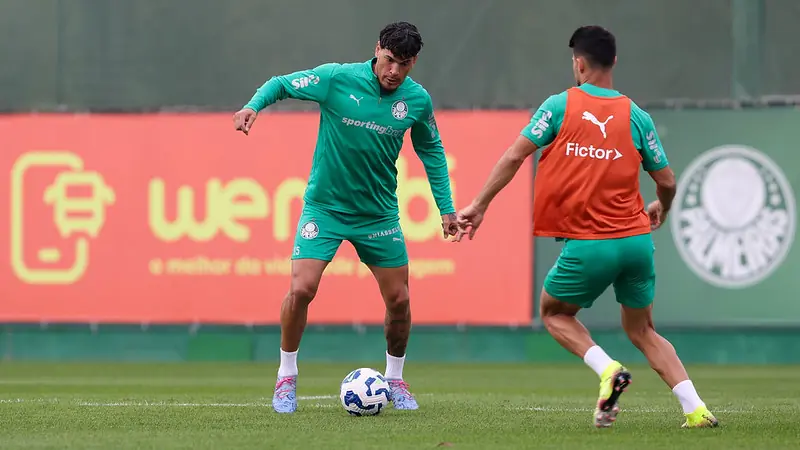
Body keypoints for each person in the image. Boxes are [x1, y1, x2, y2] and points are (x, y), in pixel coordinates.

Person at [455, 25, 718, 429]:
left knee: (554, 313)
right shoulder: (637, 116)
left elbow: (514, 156)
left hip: (590, 244)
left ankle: (608, 369)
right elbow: (667, 181)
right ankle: (696, 410)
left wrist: (479, 204)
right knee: (643, 330)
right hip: (636, 242)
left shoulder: (560, 106)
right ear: (614, 62)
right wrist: (661, 208)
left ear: (578, 63)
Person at [233, 21, 457, 414]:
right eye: (389, 60)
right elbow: (281, 83)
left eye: (404, 64)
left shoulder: (417, 100)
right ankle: (286, 377)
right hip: (325, 209)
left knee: (400, 300)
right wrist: (253, 105)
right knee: (302, 289)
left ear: (414, 62)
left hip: (378, 215)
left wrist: (446, 208)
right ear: (377, 49)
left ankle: (395, 379)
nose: (394, 71)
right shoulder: (337, 79)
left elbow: (432, 152)